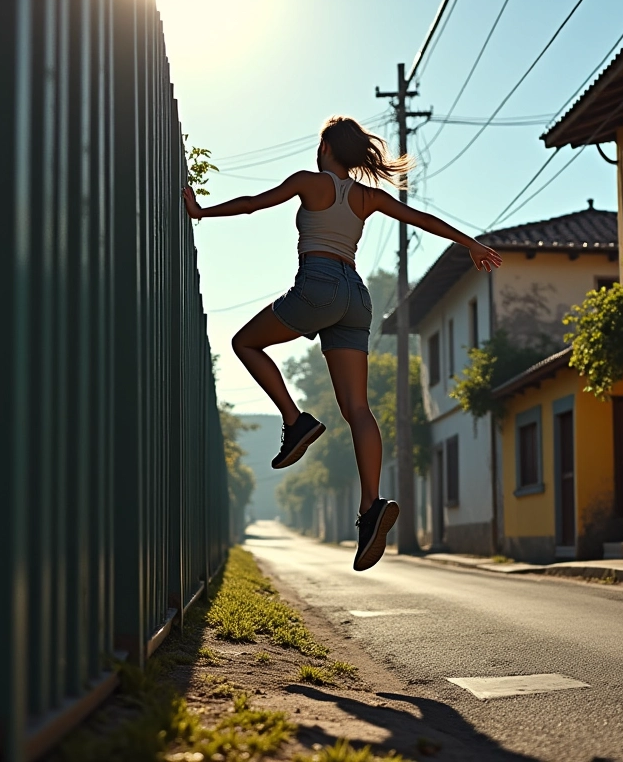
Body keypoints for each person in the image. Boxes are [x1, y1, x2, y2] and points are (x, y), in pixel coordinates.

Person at [182, 116, 501, 572]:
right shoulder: (367, 197)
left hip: (319, 284)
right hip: (356, 296)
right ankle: (371, 507)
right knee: (359, 410)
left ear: (328, 147)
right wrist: (470, 243)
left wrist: (202, 212)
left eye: (319, 143)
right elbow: (422, 218)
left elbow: (254, 204)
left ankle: (296, 422)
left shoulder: (309, 182)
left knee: (245, 343)